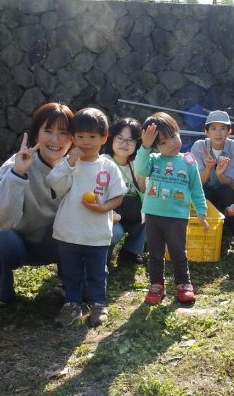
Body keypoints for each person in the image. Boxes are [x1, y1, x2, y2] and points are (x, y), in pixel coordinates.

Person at [0, 102, 74, 304]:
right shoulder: (16, 164)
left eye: (63, 132)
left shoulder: (76, 167)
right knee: (1, 238)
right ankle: (3, 293)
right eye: (48, 131)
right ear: (35, 134)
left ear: (72, 138)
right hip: (17, 243)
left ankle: (70, 284)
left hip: (55, 242)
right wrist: (17, 175)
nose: (55, 140)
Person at [48, 108, 126, 327]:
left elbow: (118, 196)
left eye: (92, 137)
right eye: (80, 136)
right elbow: (55, 184)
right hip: (68, 231)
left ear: (103, 138)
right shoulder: (68, 163)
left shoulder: (108, 166)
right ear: (72, 138)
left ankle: (97, 304)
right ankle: (71, 304)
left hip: (96, 233)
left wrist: (104, 209)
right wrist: (69, 163)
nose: (86, 142)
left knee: (97, 273)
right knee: (70, 273)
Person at [135, 112, 209, 305]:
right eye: (164, 142)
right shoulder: (152, 159)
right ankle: (156, 285)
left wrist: (201, 212)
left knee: (178, 251)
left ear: (178, 132)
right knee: (155, 252)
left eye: (173, 136)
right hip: (152, 214)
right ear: (156, 146)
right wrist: (144, 146)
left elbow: (196, 189)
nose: (172, 143)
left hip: (177, 216)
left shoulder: (188, 161)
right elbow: (141, 170)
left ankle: (184, 284)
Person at [105, 117, 146, 266]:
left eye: (130, 140)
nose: (124, 143)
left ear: (137, 143)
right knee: (115, 232)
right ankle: (103, 255)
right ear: (111, 139)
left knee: (151, 219)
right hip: (109, 215)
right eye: (120, 138)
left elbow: (143, 190)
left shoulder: (136, 164)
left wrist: (142, 171)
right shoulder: (104, 162)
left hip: (132, 214)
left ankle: (131, 252)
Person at [190, 110, 234, 214]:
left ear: (229, 131)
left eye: (223, 128)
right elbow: (198, 182)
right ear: (206, 132)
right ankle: (203, 220)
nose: (218, 133)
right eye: (213, 128)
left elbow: (233, 185)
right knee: (201, 190)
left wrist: (219, 174)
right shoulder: (198, 146)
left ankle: (224, 223)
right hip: (205, 193)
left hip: (226, 195)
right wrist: (208, 168)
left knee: (226, 191)